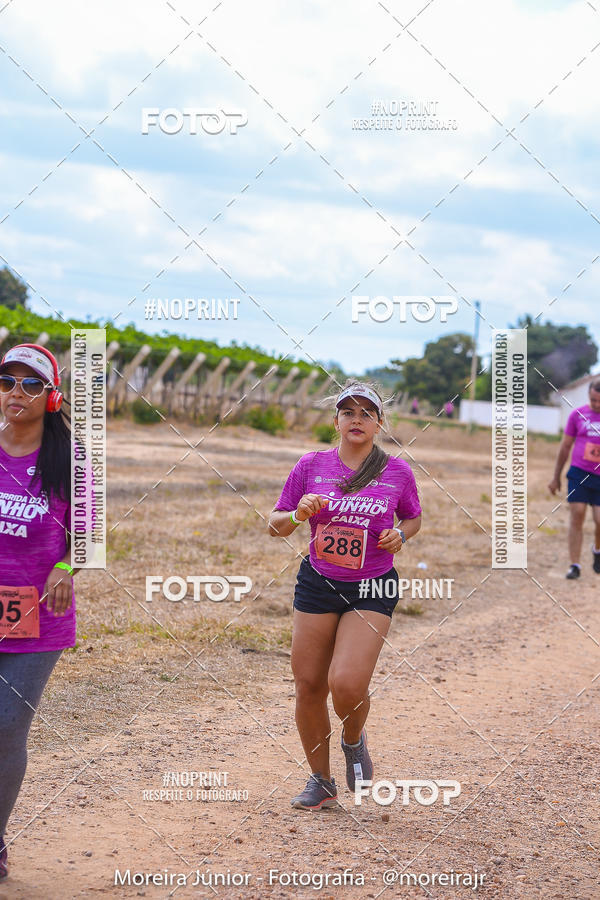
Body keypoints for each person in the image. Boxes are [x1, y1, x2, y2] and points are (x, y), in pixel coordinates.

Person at [268, 381, 422, 810]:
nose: (357, 420)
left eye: (366, 413)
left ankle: (353, 739)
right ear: (336, 420)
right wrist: (298, 513)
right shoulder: (310, 464)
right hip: (317, 583)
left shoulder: (397, 471)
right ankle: (321, 780)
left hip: (372, 585)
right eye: (348, 412)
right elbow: (275, 523)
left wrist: (399, 536)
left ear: (378, 424)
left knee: (346, 683)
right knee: (309, 685)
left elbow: (412, 518)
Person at [0, 344, 76, 880]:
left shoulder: (71, 462)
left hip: (36, 617)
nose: (15, 393)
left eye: (30, 384)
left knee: (5, 726)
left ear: (51, 397)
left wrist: (67, 567)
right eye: (7, 381)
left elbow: (92, 533)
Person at [548, 379, 600, 580]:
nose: (595, 404)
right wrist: (556, 477)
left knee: (599, 520)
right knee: (577, 514)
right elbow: (565, 447)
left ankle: (597, 550)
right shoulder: (577, 415)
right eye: (593, 400)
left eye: (599, 401)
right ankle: (575, 565)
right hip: (579, 472)